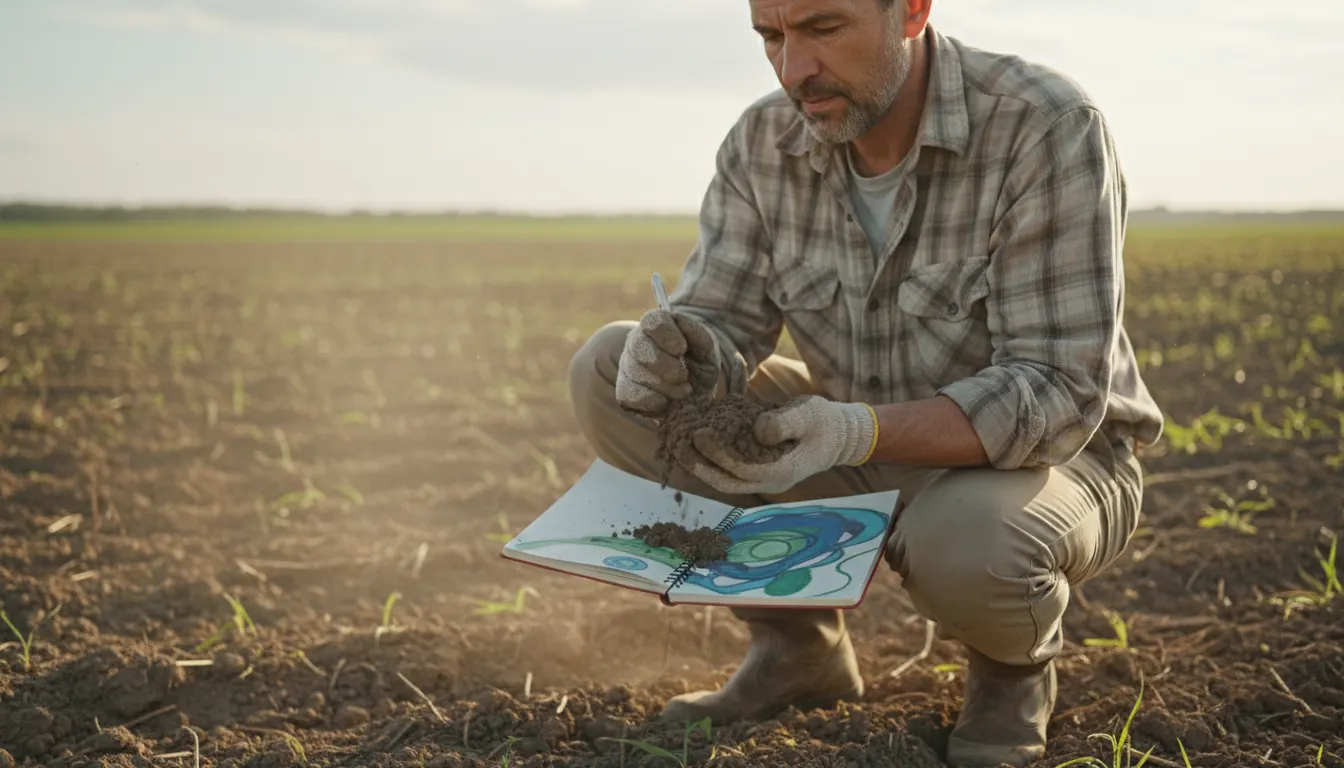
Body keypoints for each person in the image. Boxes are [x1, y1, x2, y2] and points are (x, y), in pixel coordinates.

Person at [566, 0, 1164, 765]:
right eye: (770, 37)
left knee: (969, 538)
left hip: (1048, 459)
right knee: (609, 368)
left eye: (821, 28)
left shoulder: (1044, 126)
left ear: (911, 11)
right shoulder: (762, 143)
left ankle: (1011, 677)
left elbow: (1057, 392)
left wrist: (856, 430)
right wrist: (680, 351)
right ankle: (798, 649)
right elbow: (724, 319)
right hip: (847, 434)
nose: (793, 70)